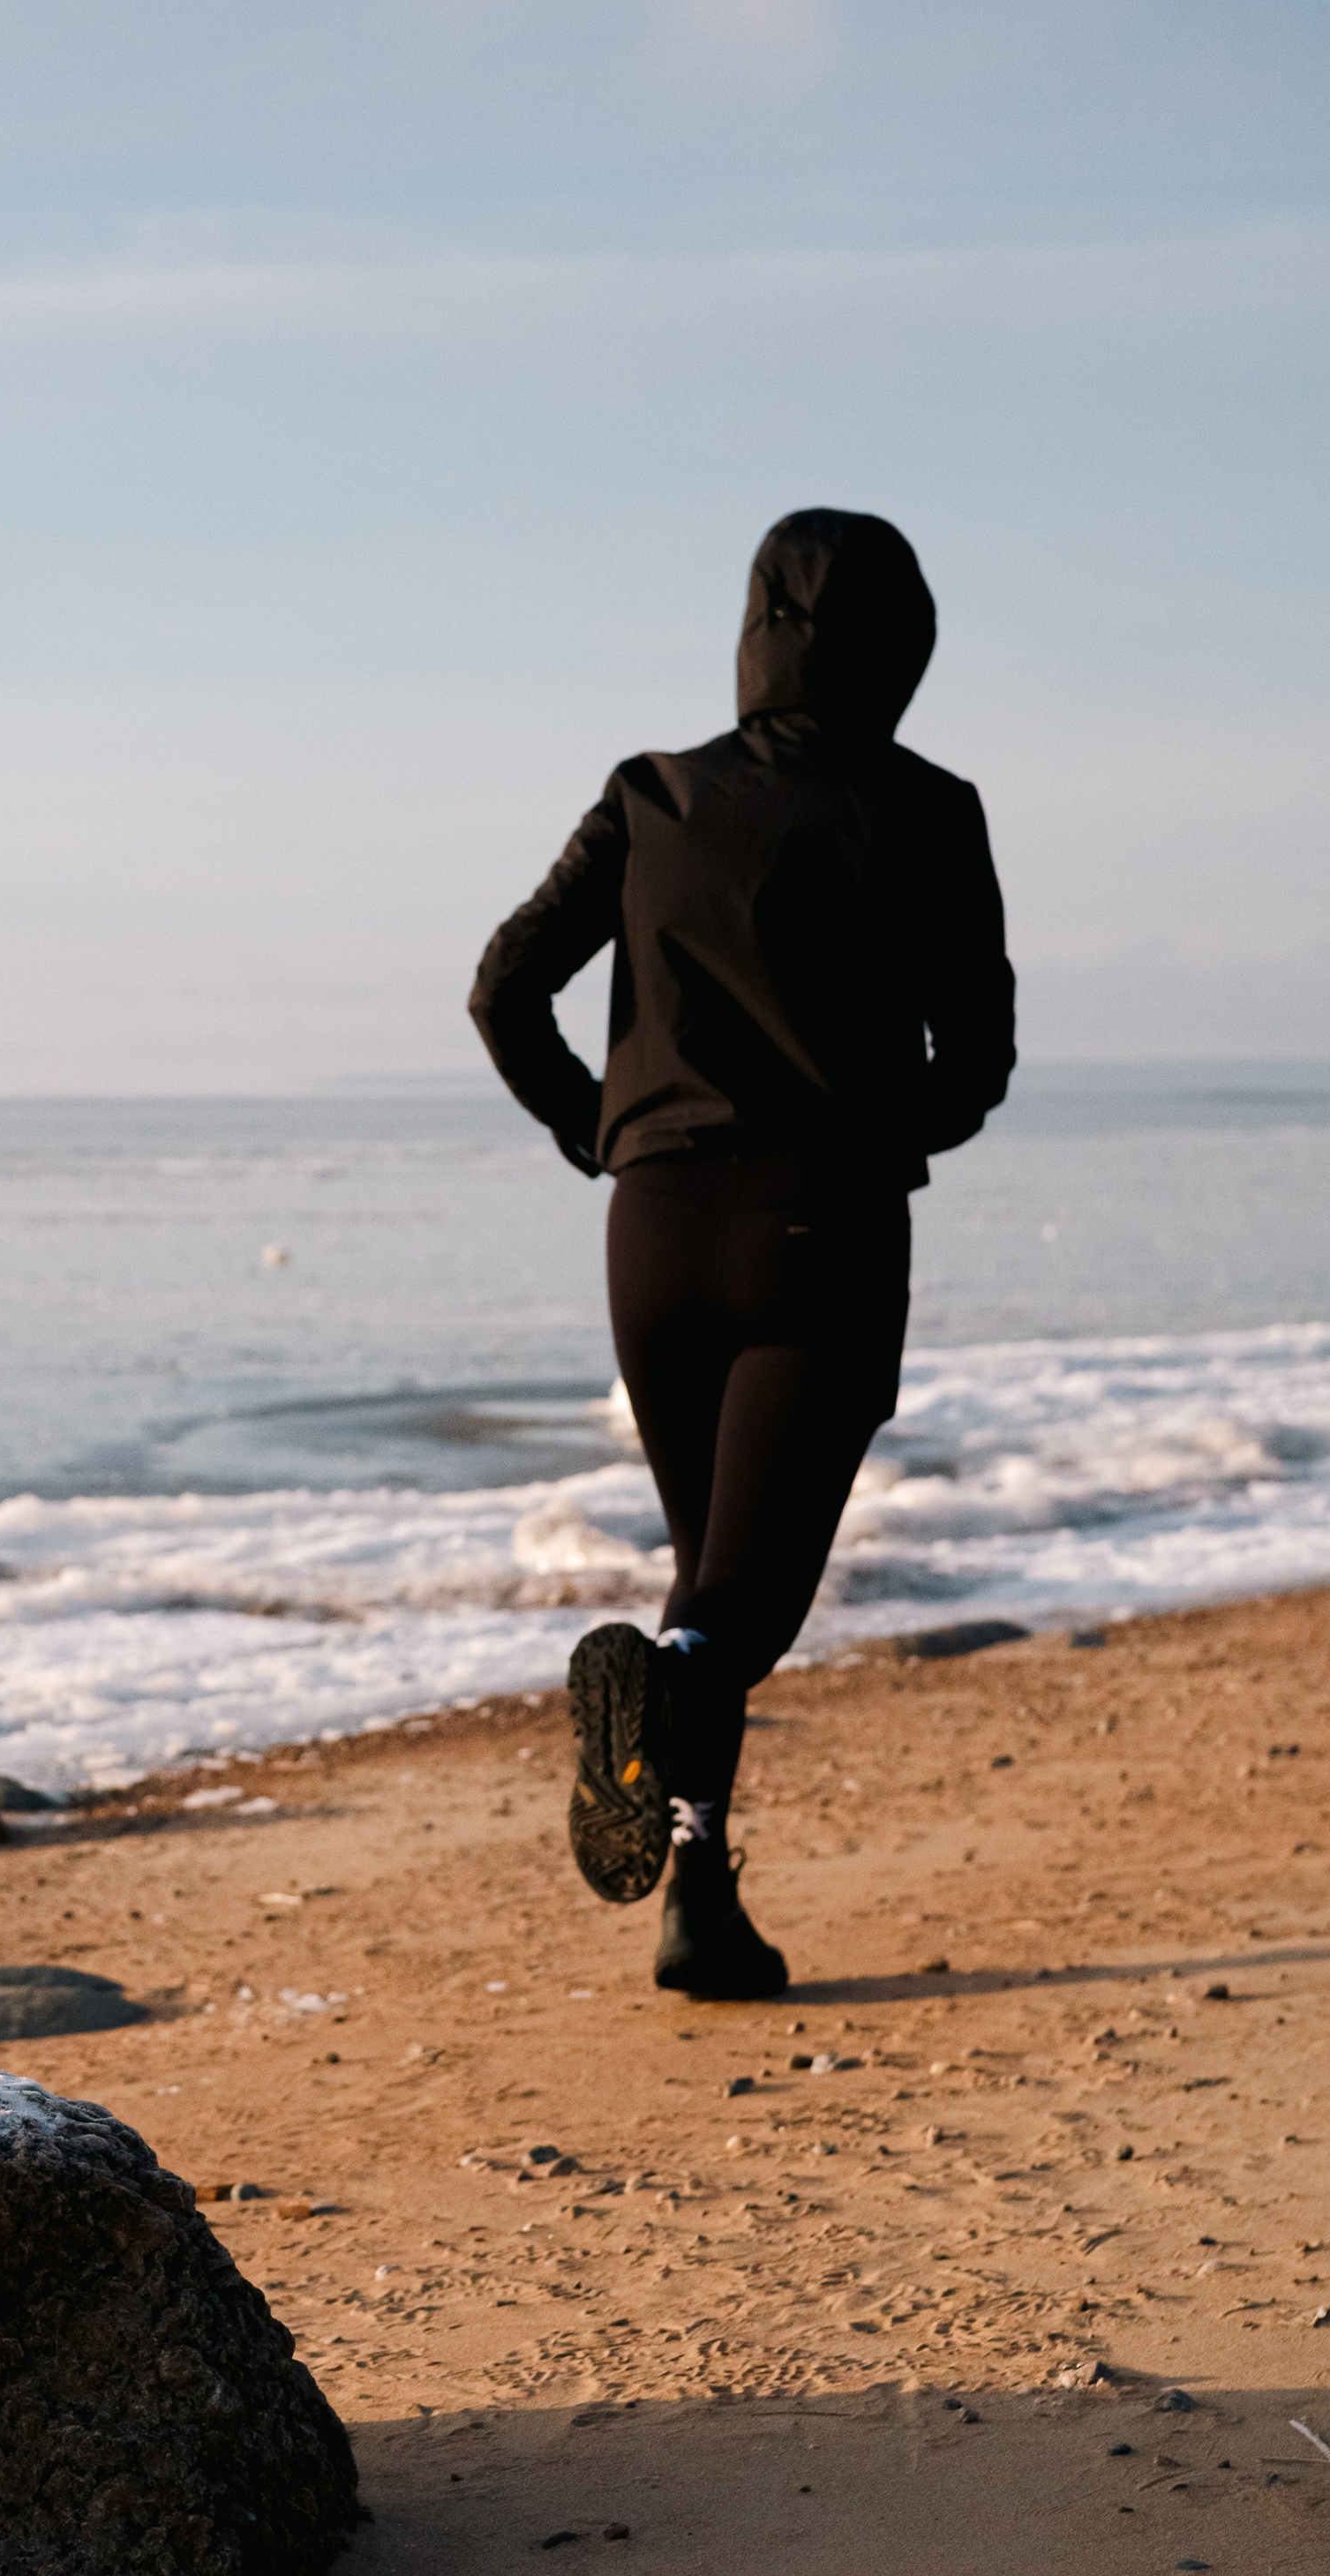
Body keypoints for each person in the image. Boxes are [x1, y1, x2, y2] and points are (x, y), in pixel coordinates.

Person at [467, 507, 1015, 2000]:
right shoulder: (929, 809)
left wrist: (609, 1131)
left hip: (650, 1238)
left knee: (704, 1573)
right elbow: (978, 1064)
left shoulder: (651, 795)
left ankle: (699, 1906)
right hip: (817, 1236)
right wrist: (876, 1129)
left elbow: (503, 990)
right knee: (737, 1610)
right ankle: (676, 1732)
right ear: (906, 647)